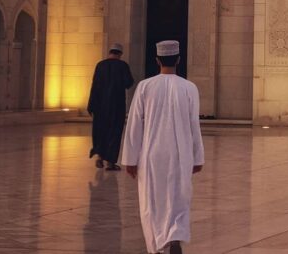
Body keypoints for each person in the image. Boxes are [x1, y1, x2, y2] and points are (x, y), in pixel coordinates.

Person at [122, 40, 204, 254]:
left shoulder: (145, 86)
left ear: (157, 60)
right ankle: (175, 236)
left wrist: (130, 159)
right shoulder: (189, 87)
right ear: (178, 60)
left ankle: (157, 245)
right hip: (181, 153)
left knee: (152, 200)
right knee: (179, 197)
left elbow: (134, 124)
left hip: (151, 153)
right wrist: (197, 158)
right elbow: (194, 124)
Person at [87, 43, 134, 171]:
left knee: (100, 131)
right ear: (119, 54)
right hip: (116, 105)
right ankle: (111, 162)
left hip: (100, 105)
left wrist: (90, 105)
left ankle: (99, 157)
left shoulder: (100, 65)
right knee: (114, 131)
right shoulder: (122, 66)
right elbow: (129, 82)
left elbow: (94, 85)